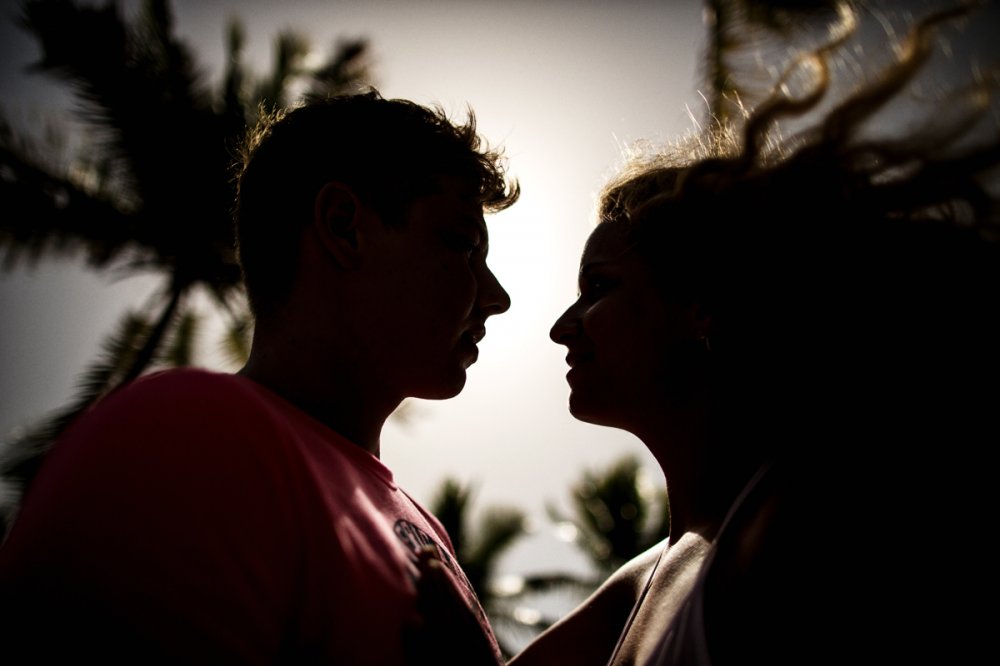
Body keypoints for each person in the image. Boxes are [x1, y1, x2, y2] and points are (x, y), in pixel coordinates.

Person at [511, 4, 1000, 665]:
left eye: (598, 287)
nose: (560, 328)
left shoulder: (804, 526)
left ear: (702, 308)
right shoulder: (643, 579)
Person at [0, 90, 519, 663]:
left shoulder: (426, 528)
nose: (497, 296)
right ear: (343, 226)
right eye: (462, 245)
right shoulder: (191, 437)